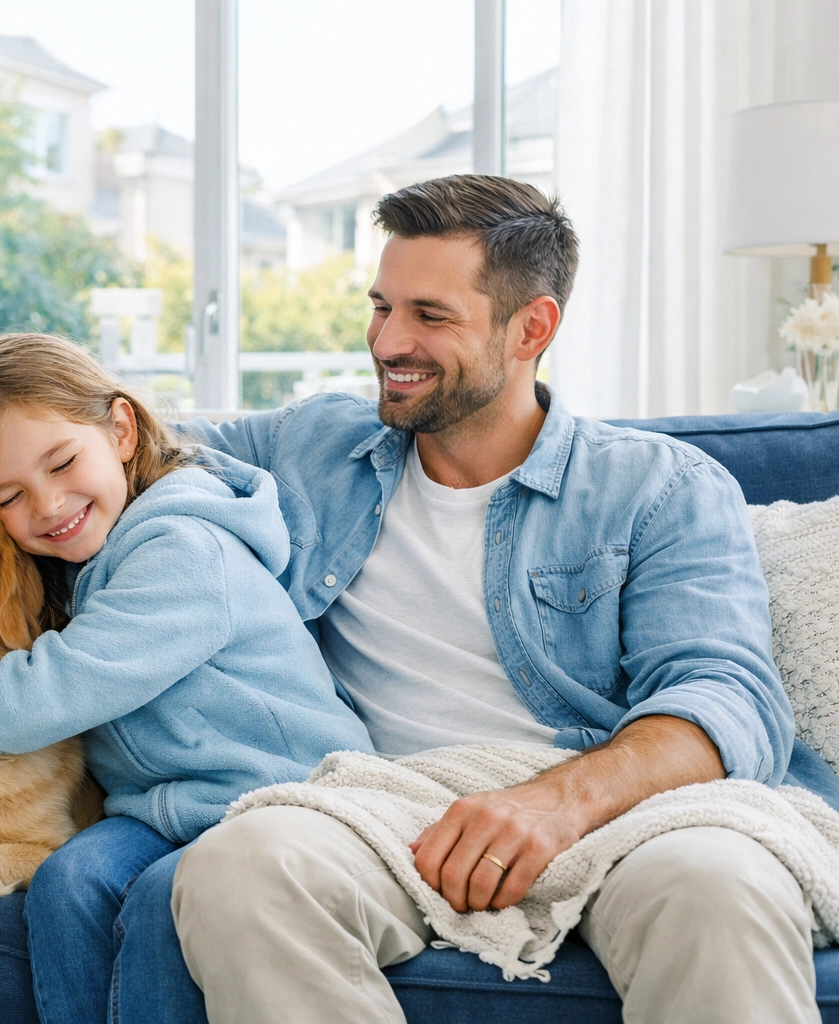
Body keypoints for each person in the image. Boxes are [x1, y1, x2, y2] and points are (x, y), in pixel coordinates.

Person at [126, 174, 839, 1024]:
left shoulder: (658, 486)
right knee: (243, 863)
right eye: (381, 306)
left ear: (531, 327)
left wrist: (552, 802)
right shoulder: (314, 446)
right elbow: (105, 434)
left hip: (623, 810)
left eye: (430, 316)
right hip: (385, 805)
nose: (387, 341)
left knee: (717, 885)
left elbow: (727, 697)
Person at [0, 332, 374, 1024]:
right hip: (162, 811)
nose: (47, 504)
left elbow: (53, 690)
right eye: (8, 495)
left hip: (287, 801)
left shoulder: (185, 549)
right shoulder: (76, 555)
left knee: (159, 903)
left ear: (122, 429)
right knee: (68, 881)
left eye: (63, 463)